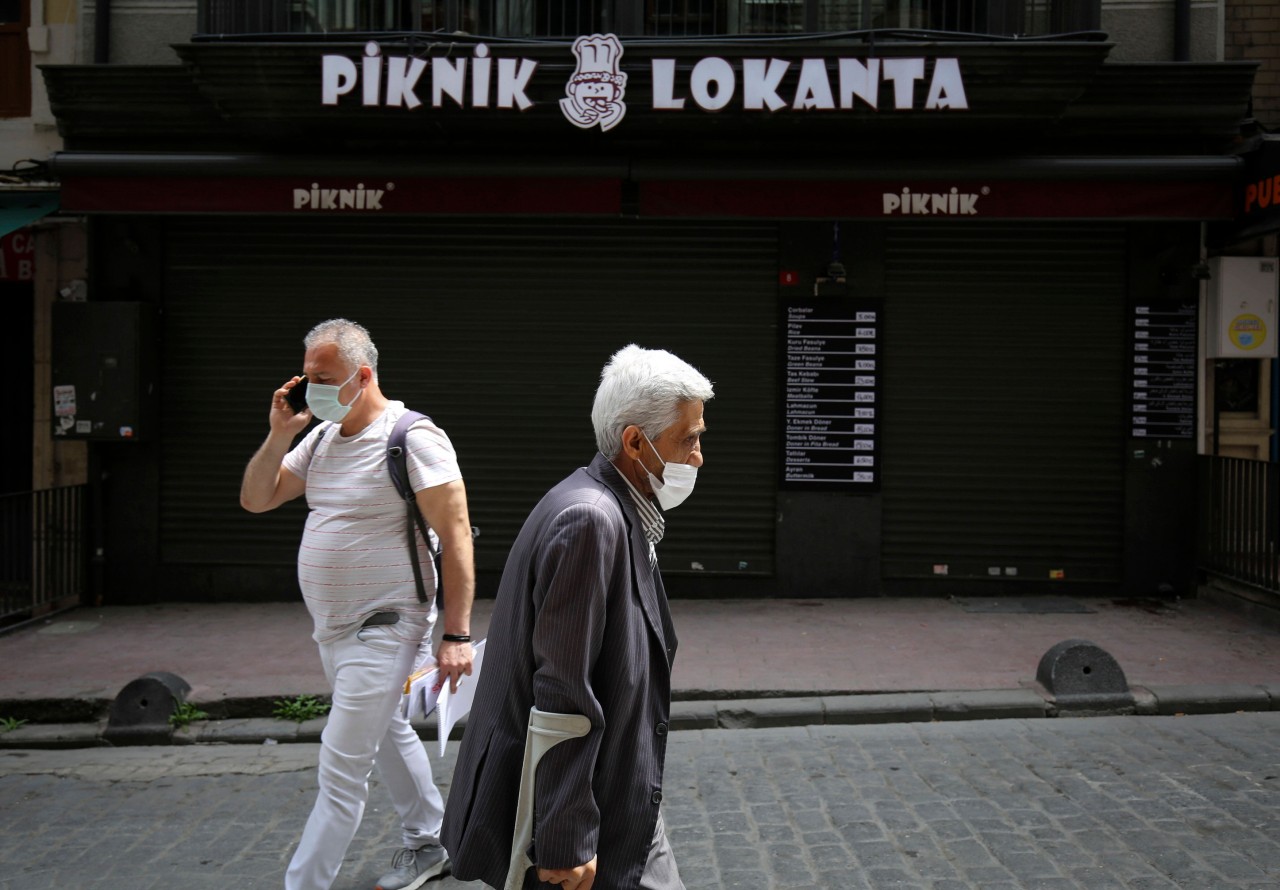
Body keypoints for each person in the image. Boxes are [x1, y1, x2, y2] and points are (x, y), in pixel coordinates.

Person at [441, 344, 712, 890]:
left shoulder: (609, 507)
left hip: (620, 793)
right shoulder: (592, 520)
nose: (699, 456)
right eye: (690, 438)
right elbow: (563, 686)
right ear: (634, 441)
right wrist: (566, 836)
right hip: (586, 816)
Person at [239, 318, 475, 890]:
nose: (309, 387)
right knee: (387, 731)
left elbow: (458, 531)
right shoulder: (320, 439)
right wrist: (279, 433)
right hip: (335, 629)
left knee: (340, 770)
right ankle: (430, 842)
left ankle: (305, 884)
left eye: (323, 377)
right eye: (307, 376)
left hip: (388, 626)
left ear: (363, 375)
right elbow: (256, 498)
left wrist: (457, 634)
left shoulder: (412, 438)